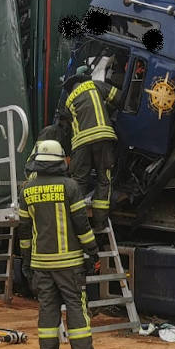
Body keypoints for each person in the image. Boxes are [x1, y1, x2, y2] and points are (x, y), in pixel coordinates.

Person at [18, 139, 109, 349]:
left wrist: (26, 261)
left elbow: (25, 232)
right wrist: (92, 251)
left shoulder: (27, 190)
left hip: (41, 263)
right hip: (69, 262)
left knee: (47, 308)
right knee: (75, 305)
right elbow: (81, 224)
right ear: (61, 161)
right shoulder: (70, 187)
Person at [59, 61, 121, 232]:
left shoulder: (69, 101)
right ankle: (100, 224)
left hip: (81, 145)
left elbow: (66, 129)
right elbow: (120, 98)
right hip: (103, 138)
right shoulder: (95, 86)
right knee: (104, 179)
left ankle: (74, 222)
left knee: (79, 182)